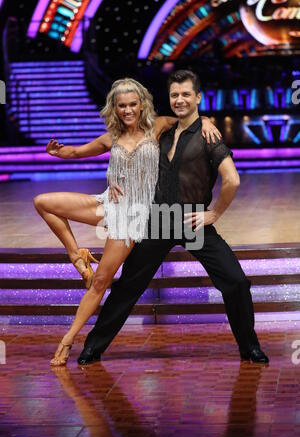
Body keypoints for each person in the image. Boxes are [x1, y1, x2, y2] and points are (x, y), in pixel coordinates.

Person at [78, 70, 269, 366]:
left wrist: (214, 212)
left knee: (237, 283)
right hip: (157, 221)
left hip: (191, 223)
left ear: (198, 98)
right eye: (174, 95)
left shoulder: (209, 136)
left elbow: (232, 179)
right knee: (128, 286)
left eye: (186, 95)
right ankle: (93, 347)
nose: (179, 100)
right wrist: (116, 177)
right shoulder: (162, 131)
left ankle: (249, 347)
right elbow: (127, 148)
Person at [34, 77, 220, 366]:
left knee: (100, 284)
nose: (128, 109)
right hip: (108, 203)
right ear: (115, 108)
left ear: (142, 104)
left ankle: (68, 339)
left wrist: (207, 120)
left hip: (133, 219)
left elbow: (189, 119)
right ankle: (77, 256)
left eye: (133, 104)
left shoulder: (157, 126)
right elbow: (76, 152)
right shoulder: (111, 137)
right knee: (43, 202)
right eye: (122, 105)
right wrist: (57, 151)